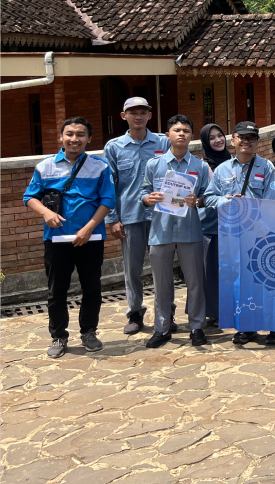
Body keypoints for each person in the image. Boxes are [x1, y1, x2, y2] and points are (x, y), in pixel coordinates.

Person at [24, 117, 116, 358]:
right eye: (70, 134)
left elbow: (108, 200)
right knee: (57, 291)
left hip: (91, 238)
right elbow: (30, 197)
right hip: (56, 240)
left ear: (88, 139)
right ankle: (58, 336)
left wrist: (89, 228)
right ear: (61, 137)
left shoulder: (100, 166)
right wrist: (45, 212)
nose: (75, 139)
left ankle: (89, 332)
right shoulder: (45, 167)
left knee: (92, 288)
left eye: (80, 134)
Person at [206, 121, 275, 345]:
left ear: (257, 142)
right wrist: (225, 200)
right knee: (241, 283)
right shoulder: (221, 170)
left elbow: (273, 199)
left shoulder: (267, 167)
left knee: (268, 282)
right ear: (233, 140)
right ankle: (246, 326)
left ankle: (274, 327)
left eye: (252, 138)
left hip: (262, 235)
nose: (246, 141)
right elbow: (209, 198)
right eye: (242, 137)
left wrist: (251, 206)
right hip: (234, 237)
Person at [140, 115, 212, 349]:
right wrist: (148, 199)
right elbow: (143, 194)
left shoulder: (200, 166)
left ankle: (196, 326)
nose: (181, 134)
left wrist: (197, 201)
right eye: (177, 130)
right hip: (160, 232)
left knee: (195, 283)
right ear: (168, 134)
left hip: (190, 232)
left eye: (186, 131)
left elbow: (207, 198)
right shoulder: (154, 165)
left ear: (192, 136)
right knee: (162, 283)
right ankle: (161, 328)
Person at [101, 97, 171, 335]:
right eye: (133, 112)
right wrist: (113, 218)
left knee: (162, 267)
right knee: (132, 269)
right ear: (124, 116)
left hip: (161, 216)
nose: (138, 116)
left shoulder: (163, 141)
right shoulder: (114, 147)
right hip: (129, 216)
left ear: (150, 115)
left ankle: (166, 312)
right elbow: (109, 184)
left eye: (143, 112)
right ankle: (135, 312)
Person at [198, 123, 231, 329]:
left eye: (220, 136)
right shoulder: (203, 166)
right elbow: (200, 196)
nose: (218, 140)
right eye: (212, 138)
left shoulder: (232, 163)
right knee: (210, 272)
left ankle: (228, 309)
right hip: (210, 225)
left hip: (232, 227)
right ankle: (213, 312)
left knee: (228, 272)